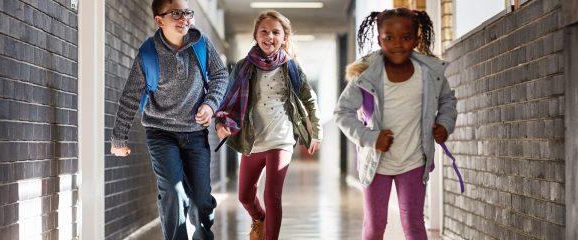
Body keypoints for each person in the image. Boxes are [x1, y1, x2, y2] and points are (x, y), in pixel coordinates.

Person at [334, 8, 457, 240]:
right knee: (375, 225)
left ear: (416, 40)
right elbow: (343, 112)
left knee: (413, 223)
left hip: (413, 160)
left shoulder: (429, 73)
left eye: (406, 37)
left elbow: (447, 100)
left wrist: (445, 123)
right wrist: (371, 138)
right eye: (389, 37)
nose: (397, 44)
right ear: (379, 39)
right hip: (376, 163)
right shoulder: (366, 74)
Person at [110, 0, 229, 239]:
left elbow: (220, 75)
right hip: (160, 133)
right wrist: (118, 137)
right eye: (176, 13)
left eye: (187, 12)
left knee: (201, 201)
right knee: (173, 194)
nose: (184, 18)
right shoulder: (148, 54)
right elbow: (130, 96)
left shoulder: (201, 44)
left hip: (195, 133)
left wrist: (210, 104)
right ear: (159, 20)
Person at [214, 10, 323, 240]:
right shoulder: (244, 66)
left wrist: (317, 133)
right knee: (244, 196)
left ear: (284, 37)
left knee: (272, 196)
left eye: (276, 32)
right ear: (256, 35)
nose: (269, 36)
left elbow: (309, 99)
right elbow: (227, 99)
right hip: (253, 140)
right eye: (264, 31)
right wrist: (221, 122)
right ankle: (259, 220)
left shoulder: (291, 67)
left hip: (281, 141)